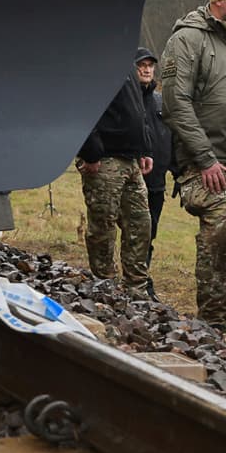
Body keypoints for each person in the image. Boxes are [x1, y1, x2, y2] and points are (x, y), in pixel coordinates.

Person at [161, 0, 226, 327]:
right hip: (206, 162)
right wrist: (204, 158)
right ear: (218, 1)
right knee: (222, 234)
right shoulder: (188, 39)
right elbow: (174, 103)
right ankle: (213, 322)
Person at [74, 58, 155, 295]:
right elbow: (81, 106)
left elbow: (137, 109)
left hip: (131, 160)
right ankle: (105, 286)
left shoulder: (124, 59)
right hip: (104, 159)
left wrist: (144, 148)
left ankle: (136, 288)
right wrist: (91, 152)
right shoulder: (93, 59)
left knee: (140, 224)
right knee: (103, 226)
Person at [136, 47, 175, 253]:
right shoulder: (125, 99)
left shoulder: (161, 101)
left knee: (150, 232)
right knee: (133, 232)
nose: (146, 70)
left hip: (157, 182)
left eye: (150, 66)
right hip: (131, 179)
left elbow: (172, 136)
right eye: (141, 66)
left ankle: (143, 277)